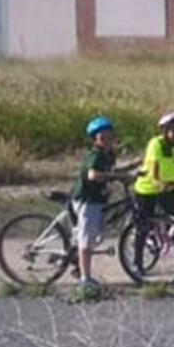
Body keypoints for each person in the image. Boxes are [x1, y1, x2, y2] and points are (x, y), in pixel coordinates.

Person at [70, 116, 128, 294]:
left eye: (110, 136)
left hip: (99, 199)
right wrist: (116, 177)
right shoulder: (95, 155)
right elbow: (93, 175)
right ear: (95, 139)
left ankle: (77, 261)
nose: (108, 140)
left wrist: (135, 167)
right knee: (86, 239)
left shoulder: (109, 154)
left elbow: (111, 171)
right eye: (103, 137)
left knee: (95, 234)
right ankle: (85, 280)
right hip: (87, 199)